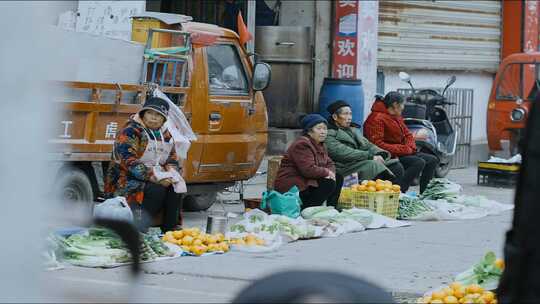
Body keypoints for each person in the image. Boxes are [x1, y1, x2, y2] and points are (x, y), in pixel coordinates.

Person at [104, 97, 183, 233]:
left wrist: (172, 174)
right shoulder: (130, 131)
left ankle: (170, 231)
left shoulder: (166, 135)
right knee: (156, 190)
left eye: (158, 115)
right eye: (150, 113)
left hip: (157, 175)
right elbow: (129, 161)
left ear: (164, 119)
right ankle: (139, 228)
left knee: (176, 188)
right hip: (126, 177)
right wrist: (154, 177)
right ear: (143, 114)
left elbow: (172, 159)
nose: (153, 118)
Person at [324, 100, 404, 198]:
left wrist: (380, 153)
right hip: (344, 167)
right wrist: (370, 156)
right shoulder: (328, 135)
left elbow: (367, 145)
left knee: (396, 166)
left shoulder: (352, 130)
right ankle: (376, 198)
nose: (349, 117)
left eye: (350, 114)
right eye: (345, 114)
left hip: (359, 162)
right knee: (374, 165)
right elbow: (344, 153)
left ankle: (392, 198)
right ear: (335, 117)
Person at [363, 92, 439, 193]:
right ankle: (399, 192)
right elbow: (377, 144)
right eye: (402, 104)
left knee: (432, 160)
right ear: (395, 105)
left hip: (402, 152)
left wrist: (410, 147)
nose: (403, 107)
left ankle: (425, 194)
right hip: (388, 154)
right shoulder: (376, 118)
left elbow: (408, 134)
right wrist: (404, 149)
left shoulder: (396, 116)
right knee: (418, 162)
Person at [273, 114, 339, 209]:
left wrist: (331, 172)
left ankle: (331, 208)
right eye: (319, 128)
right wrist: (327, 172)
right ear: (309, 131)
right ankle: (307, 209)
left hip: (307, 180)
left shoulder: (320, 145)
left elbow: (330, 163)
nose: (323, 132)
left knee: (338, 177)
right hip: (293, 186)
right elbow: (308, 170)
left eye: (325, 129)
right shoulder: (302, 144)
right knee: (328, 183)